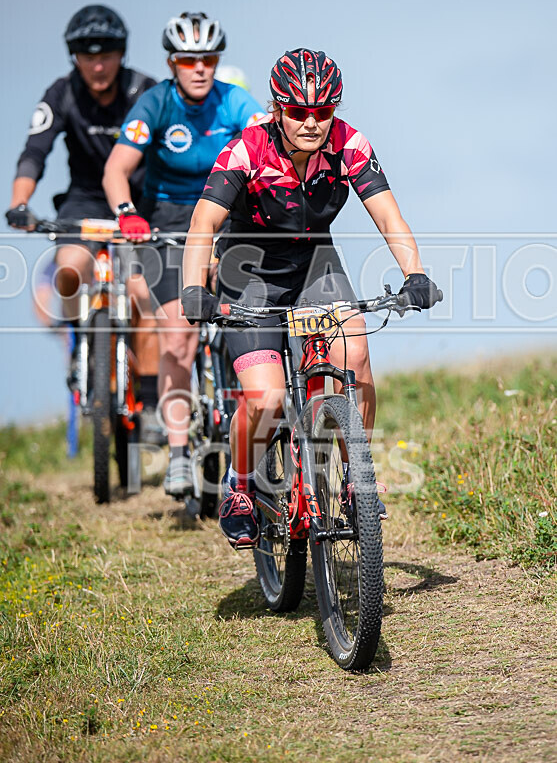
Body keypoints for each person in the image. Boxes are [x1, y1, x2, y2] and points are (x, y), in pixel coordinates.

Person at [181, 48, 442, 549]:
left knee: (356, 355)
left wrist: (415, 274)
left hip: (313, 263)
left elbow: (389, 216)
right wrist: (194, 290)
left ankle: (354, 479)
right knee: (267, 395)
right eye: (298, 112)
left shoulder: (350, 144)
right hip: (248, 268)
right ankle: (238, 485)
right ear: (277, 108)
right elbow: (203, 223)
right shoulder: (246, 151)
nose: (311, 123)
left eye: (323, 112)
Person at [103, 11, 265, 500]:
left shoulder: (234, 100)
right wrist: (128, 212)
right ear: (173, 63)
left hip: (228, 215)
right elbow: (116, 170)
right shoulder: (154, 103)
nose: (200, 69)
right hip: (171, 222)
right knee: (178, 338)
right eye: (189, 60)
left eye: (208, 59)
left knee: (257, 312)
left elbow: (265, 144)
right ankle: (177, 454)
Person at [6, 4, 160, 425]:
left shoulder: (145, 90)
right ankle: (82, 341)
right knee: (70, 268)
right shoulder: (61, 93)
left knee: (143, 294)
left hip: (139, 202)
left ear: (122, 53)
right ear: (73, 56)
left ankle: (146, 400)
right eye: (87, 55)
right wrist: (20, 203)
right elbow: (34, 153)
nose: (98, 64)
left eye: (107, 53)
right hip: (85, 200)